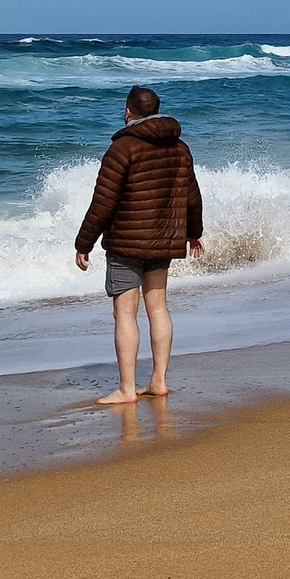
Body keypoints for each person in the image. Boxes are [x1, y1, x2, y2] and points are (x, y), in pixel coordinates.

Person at [73, 86, 205, 404]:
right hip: (164, 241)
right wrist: (193, 233)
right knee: (158, 308)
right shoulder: (181, 148)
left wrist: (84, 242)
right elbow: (192, 195)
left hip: (126, 243)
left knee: (125, 313)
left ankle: (126, 389)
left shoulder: (122, 148)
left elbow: (103, 202)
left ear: (128, 112)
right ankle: (158, 381)